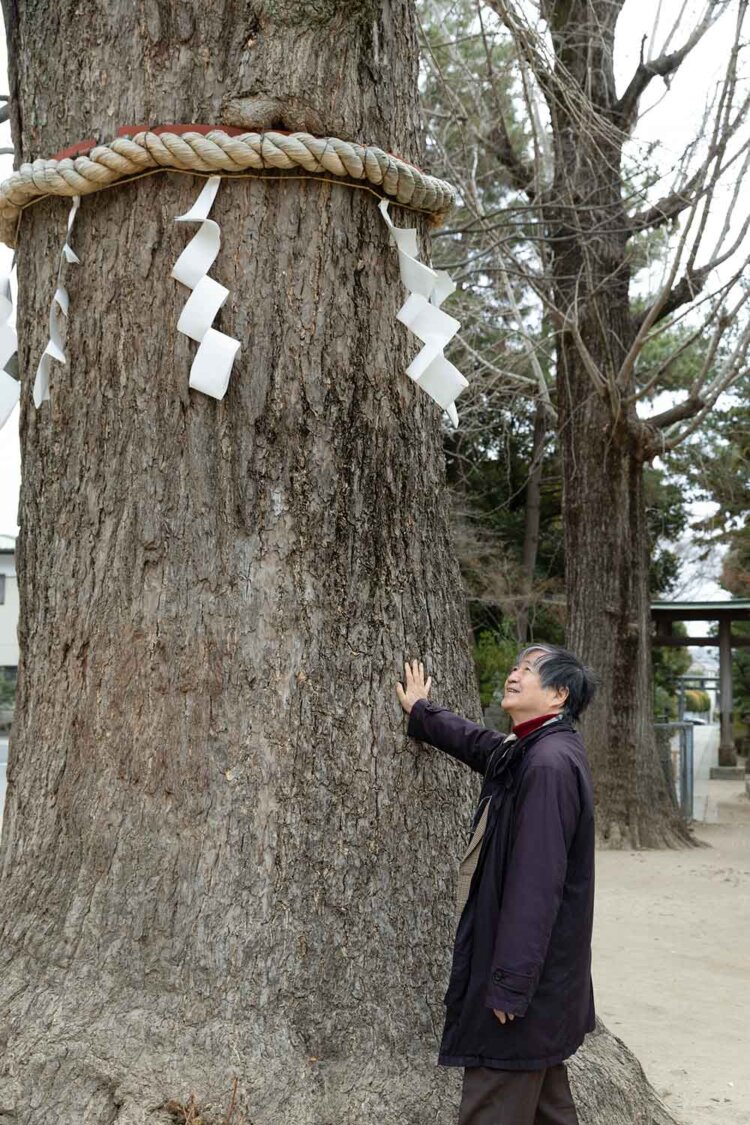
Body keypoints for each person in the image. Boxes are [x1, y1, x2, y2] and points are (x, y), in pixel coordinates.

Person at [396, 646, 598, 1125]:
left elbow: (536, 884)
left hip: (524, 989)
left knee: (496, 1096)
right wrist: (425, 714)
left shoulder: (548, 764)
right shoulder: (534, 747)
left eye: (528, 671)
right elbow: (485, 748)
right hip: (542, 988)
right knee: (547, 1106)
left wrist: (508, 986)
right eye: (515, 667)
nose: (513, 675)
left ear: (558, 693)